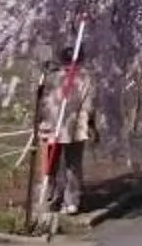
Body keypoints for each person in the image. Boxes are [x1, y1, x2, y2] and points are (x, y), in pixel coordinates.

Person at [37, 46, 97, 216]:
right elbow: (89, 104)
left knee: (52, 162)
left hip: (55, 125)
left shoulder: (54, 77)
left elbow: (44, 102)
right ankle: (69, 200)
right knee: (72, 163)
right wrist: (90, 123)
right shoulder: (85, 78)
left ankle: (51, 196)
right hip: (73, 125)